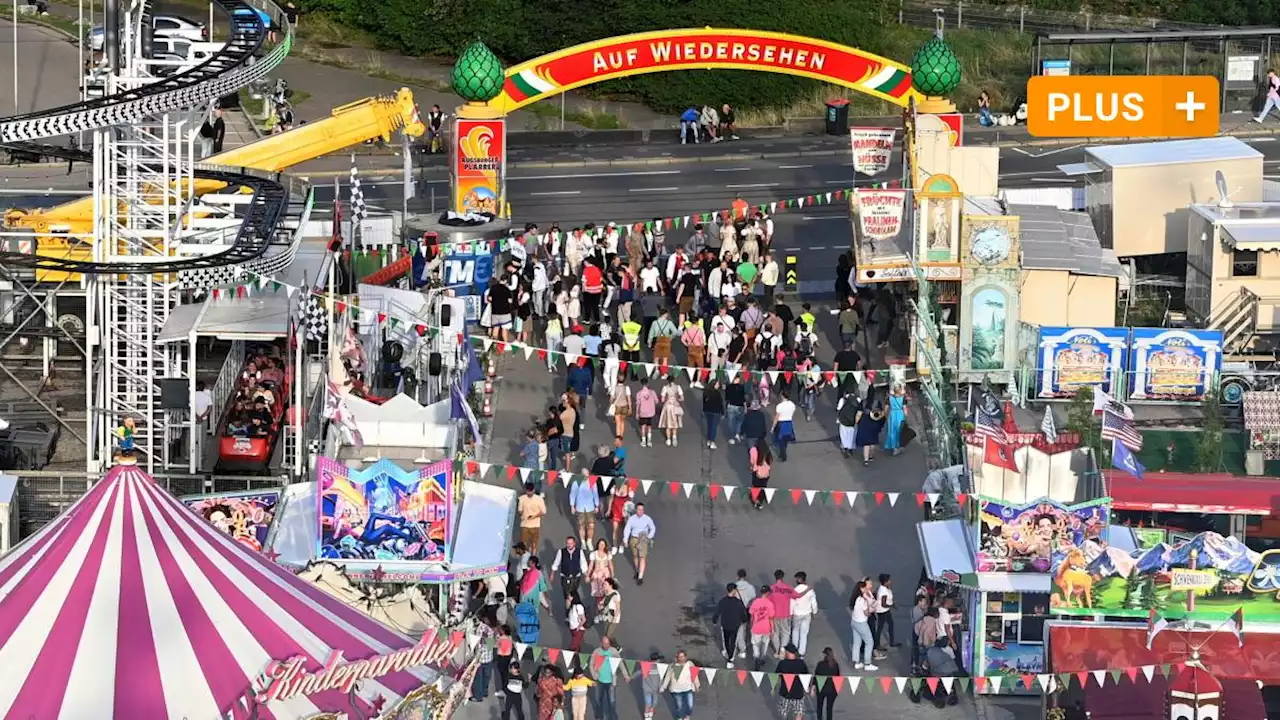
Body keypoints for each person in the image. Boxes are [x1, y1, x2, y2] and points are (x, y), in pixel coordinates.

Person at [713, 583, 748, 668]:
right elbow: (743, 615)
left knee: (726, 640)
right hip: (735, 625)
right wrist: (744, 621)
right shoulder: (738, 602)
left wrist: (714, 621)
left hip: (725, 624)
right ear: (733, 590)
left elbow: (717, 612)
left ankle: (728, 654)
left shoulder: (723, 601)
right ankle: (730, 659)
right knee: (732, 642)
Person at [590, 636, 624, 720]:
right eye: (604, 644)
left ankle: (613, 718)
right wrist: (594, 675)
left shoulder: (613, 651)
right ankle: (599, 717)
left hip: (611, 681)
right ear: (601, 643)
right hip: (599, 680)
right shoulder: (596, 652)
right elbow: (591, 664)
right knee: (598, 700)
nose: (606, 645)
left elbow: (620, 663)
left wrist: (625, 675)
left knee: (612, 701)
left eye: (608, 644)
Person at [661, 649, 700, 720]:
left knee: (690, 706)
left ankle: (687, 716)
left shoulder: (690, 664)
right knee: (679, 706)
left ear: (686, 657)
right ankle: (679, 718)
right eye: (680, 657)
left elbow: (695, 675)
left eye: (683, 656)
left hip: (688, 689)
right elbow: (668, 677)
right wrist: (663, 687)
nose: (681, 658)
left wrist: (697, 685)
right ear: (677, 658)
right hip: (676, 690)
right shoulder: (672, 666)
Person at [774, 644, 809, 720]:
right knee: (798, 713)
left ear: (788, 652)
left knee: (783, 712)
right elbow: (806, 677)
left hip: (785, 693)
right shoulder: (801, 663)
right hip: (798, 693)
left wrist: (774, 687)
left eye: (785, 651)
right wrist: (807, 687)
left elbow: (776, 676)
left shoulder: (782, 663)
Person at [623, 502, 656, 584]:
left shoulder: (647, 519)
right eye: (639, 509)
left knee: (642, 557)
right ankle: (637, 570)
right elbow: (627, 529)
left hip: (643, 539)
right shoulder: (632, 519)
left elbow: (653, 528)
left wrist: (649, 537)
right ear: (636, 510)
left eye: (642, 509)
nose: (641, 511)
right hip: (634, 538)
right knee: (635, 556)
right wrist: (625, 539)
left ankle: (640, 576)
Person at [849, 580, 879, 670]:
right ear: (861, 589)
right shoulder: (862, 600)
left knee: (856, 643)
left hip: (854, 622)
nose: (866, 589)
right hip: (862, 623)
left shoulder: (854, 598)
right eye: (865, 588)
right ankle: (867, 663)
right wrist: (871, 610)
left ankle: (856, 662)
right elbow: (867, 613)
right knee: (869, 642)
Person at [550, 536, 587, 602]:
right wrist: (552, 574)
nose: (569, 545)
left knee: (573, 593)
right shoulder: (561, 552)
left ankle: (572, 607)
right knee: (567, 595)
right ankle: (568, 609)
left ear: (574, 543)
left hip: (576, 577)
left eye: (571, 543)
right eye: (568, 543)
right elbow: (556, 563)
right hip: (565, 577)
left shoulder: (579, 552)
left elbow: (583, 564)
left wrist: (586, 575)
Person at [570, 469, 600, 547]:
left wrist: (597, 505)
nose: (586, 476)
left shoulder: (592, 482)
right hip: (580, 508)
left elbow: (595, 494)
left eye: (587, 475)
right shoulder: (576, 482)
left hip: (590, 507)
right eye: (584, 475)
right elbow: (573, 494)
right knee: (581, 526)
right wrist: (572, 506)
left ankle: (589, 541)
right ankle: (583, 542)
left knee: (591, 525)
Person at [790, 571, 818, 656]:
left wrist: (790, 613)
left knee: (795, 631)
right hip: (807, 614)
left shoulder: (795, 590)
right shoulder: (810, 590)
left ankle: (794, 649)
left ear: (799, 579)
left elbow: (792, 603)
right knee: (804, 633)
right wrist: (814, 611)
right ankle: (801, 653)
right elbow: (814, 602)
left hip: (797, 614)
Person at [748, 585, 775, 669]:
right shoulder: (770, 604)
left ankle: (756, 658)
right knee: (764, 644)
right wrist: (772, 629)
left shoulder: (755, 602)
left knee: (756, 644)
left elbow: (751, 616)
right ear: (768, 593)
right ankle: (762, 658)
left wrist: (751, 625)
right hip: (766, 628)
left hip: (756, 627)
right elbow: (771, 618)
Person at [606, 476, 633, 552]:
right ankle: (614, 546)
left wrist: (630, 498)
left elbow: (630, 502)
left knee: (623, 529)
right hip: (616, 510)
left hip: (624, 511)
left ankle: (621, 545)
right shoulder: (614, 488)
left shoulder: (628, 488)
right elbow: (611, 499)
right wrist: (608, 510)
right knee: (615, 529)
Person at [855, 401, 887, 466]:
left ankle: (866, 460)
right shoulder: (877, 402)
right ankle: (871, 456)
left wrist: (856, 423)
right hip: (874, 424)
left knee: (866, 443)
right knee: (872, 442)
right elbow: (881, 414)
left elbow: (858, 415)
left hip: (864, 423)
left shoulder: (863, 402)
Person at [814, 648, 841, 720]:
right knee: (829, 708)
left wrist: (813, 687)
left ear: (825, 655)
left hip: (821, 688)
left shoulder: (820, 664)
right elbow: (838, 677)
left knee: (819, 706)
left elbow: (816, 677)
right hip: (832, 690)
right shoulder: (835, 665)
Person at [518, 483, 547, 551]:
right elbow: (520, 510)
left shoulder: (539, 499)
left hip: (535, 525)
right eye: (528, 491)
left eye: (531, 491)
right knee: (524, 543)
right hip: (525, 524)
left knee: (534, 544)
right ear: (526, 490)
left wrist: (534, 516)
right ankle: (524, 559)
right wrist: (521, 514)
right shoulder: (522, 499)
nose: (529, 493)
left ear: (534, 490)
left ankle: (533, 558)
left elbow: (543, 512)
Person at [874, 573, 899, 652]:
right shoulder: (883, 591)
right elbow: (883, 604)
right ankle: (877, 644)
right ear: (885, 582)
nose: (890, 582)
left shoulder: (884, 588)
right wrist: (892, 606)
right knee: (880, 627)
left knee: (890, 624)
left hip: (885, 610)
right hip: (882, 611)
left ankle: (892, 641)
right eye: (888, 581)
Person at [658, 376, 685, 447]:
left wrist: (667, 399)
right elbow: (682, 398)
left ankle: (668, 439)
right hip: (675, 406)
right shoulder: (678, 387)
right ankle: (674, 438)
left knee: (668, 423)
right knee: (675, 423)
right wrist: (676, 399)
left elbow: (662, 400)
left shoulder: (665, 388)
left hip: (668, 407)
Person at [835, 387, 860, 459]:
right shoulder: (858, 399)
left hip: (843, 420)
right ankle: (851, 448)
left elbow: (838, 409)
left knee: (844, 434)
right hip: (853, 421)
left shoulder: (843, 399)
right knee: (852, 435)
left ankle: (845, 448)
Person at [771, 392, 797, 462]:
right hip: (789, 423)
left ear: (782, 396)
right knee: (785, 439)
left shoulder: (780, 406)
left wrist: (773, 427)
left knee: (780, 440)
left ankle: (783, 455)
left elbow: (777, 417)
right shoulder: (792, 404)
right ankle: (782, 452)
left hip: (781, 423)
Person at [587, 538, 614, 604]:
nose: (601, 546)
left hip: (605, 574)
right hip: (596, 574)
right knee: (597, 591)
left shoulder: (608, 554)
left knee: (605, 589)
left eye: (603, 544)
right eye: (600, 544)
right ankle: (599, 604)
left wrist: (612, 575)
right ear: (598, 545)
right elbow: (591, 565)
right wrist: (588, 575)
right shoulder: (594, 554)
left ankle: (605, 603)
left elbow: (610, 565)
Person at [748, 438, 772, 511]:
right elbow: (770, 461)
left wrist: (752, 466)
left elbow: (752, 461)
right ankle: (761, 499)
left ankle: (756, 501)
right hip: (766, 473)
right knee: (763, 487)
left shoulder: (753, 450)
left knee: (756, 486)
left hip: (757, 472)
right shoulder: (767, 450)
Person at [634, 378, 659, 447]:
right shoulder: (652, 392)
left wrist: (637, 413)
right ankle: (649, 441)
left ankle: (643, 441)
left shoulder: (639, 393)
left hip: (642, 412)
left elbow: (638, 404)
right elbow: (657, 401)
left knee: (643, 427)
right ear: (648, 383)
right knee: (649, 426)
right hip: (650, 412)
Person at [559, 392, 581, 472]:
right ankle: (568, 468)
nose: (562, 403)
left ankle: (568, 469)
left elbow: (559, 419)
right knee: (567, 452)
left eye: (563, 401)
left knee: (567, 453)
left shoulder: (566, 412)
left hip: (566, 434)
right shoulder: (572, 411)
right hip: (570, 433)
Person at [884, 383, 907, 456]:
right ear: (900, 390)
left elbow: (885, 409)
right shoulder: (903, 398)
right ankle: (898, 447)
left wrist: (886, 416)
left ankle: (893, 447)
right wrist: (906, 416)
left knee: (892, 430)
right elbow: (905, 409)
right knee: (899, 431)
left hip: (892, 414)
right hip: (900, 414)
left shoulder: (889, 398)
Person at [597, 578, 622, 642]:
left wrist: (614, 619)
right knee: (606, 634)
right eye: (603, 584)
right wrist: (600, 606)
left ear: (610, 585)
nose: (603, 585)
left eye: (605, 584)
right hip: (606, 617)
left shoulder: (615, 594)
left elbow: (618, 608)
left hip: (613, 617)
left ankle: (616, 647)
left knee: (608, 636)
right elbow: (603, 605)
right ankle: (611, 646)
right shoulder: (606, 594)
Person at [701, 379, 724, 450]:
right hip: (716, 412)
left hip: (707, 411)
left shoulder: (706, 392)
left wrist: (704, 410)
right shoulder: (717, 393)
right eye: (717, 384)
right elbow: (720, 404)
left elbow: (704, 402)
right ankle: (712, 442)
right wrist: (722, 413)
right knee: (714, 427)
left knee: (709, 426)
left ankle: (708, 440)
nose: (718, 385)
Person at [641, 652, 664, 720]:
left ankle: (651, 710)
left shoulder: (660, 667)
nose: (660, 660)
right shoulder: (646, 666)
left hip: (656, 689)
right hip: (647, 688)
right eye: (659, 659)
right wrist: (629, 677)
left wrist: (661, 687)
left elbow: (660, 678)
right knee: (648, 702)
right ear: (656, 660)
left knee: (654, 702)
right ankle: (646, 715)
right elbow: (639, 672)